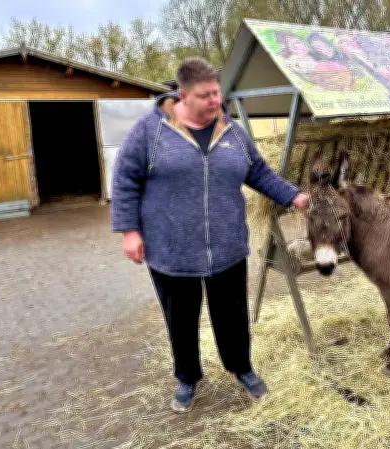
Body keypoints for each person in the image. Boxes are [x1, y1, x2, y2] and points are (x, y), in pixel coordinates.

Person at [110, 57, 309, 412]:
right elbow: (125, 180)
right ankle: (187, 378)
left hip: (227, 245)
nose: (214, 101)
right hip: (172, 249)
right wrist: (129, 231)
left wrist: (292, 195)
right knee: (181, 318)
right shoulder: (150, 131)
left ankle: (242, 368)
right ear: (183, 95)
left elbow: (258, 172)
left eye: (216, 92)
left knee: (232, 314)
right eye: (205, 95)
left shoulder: (231, 131)